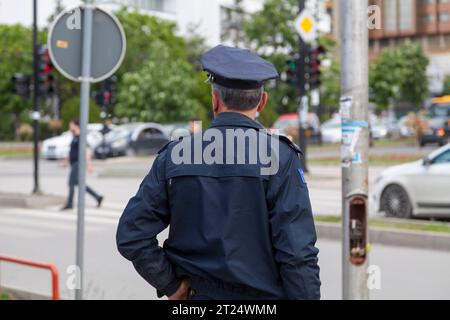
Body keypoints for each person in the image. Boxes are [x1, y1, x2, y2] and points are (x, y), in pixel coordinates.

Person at [116, 45, 320, 300]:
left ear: (215, 100)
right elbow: (298, 254)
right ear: (262, 101)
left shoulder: (175, 154)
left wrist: (170, 284)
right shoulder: (280, 157)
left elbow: (132, 234)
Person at [61, 120, 104, 210]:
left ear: (76, 126)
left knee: (71, 183)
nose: (70, 127)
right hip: (73, 163)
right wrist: (66, 161)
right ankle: (97, 197)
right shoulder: (74, 136)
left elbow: (87, 151)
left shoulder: (81, 137)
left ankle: (69, 203)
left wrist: (89, 165)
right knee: (80, 183)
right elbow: (72, 151)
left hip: (78, 163)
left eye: (71, 125)